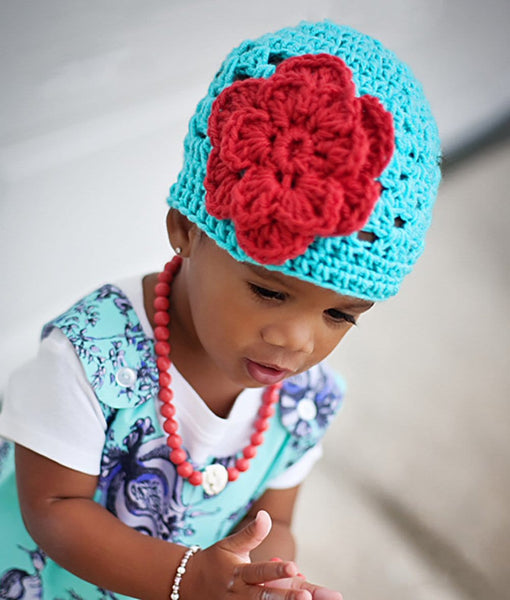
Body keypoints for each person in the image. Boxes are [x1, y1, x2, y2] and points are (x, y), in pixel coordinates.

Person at [0, 19, 441, 600]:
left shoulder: (302, 404)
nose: (296, 340)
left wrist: (262, 581)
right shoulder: (92, 357)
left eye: (341, 315)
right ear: (187, 229)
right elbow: (54, 509)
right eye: (270, 292)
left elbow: (274, 522)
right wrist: (188, 580)